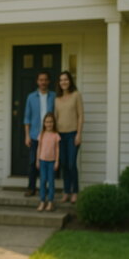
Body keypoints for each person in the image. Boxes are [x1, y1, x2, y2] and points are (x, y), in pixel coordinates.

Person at [23, 71, 56, 197]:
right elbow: (27, 117)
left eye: (45, 80)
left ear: (48, 81)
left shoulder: (53, 96)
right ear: (37, 81)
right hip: (34, 135)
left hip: (49, 136)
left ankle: (47, 189)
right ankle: (31, 188)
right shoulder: (31, 97)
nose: (43, 82)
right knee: (33, 163)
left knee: (48, 163)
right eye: (41, 80)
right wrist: (27, 135)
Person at [55, 71, 84, 204]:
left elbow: (80, 116)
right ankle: (66, 191)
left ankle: (75, 192)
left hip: (73, 134)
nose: (64, 82)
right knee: (64, 164)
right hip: (60, 136)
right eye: (61, 80)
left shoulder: (76, 95)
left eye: (66, 79)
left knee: (72, 164)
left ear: (70, 81)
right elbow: (55, 118)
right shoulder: (57, 99)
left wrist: (79, 133)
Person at [36, 113, 61, 212]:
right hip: (42, 161)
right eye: (47, 122)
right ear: (44, 123)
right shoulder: (41, 134)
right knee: (42, 181)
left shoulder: (56, 135)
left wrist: (57, 161)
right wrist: (37, 160)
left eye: (51, 122)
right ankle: (42, 201)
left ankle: (50, 202)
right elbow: (39, 148)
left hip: (52, 162)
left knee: (51, 182)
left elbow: (57, 149)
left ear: (53, 123)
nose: (49, 124)